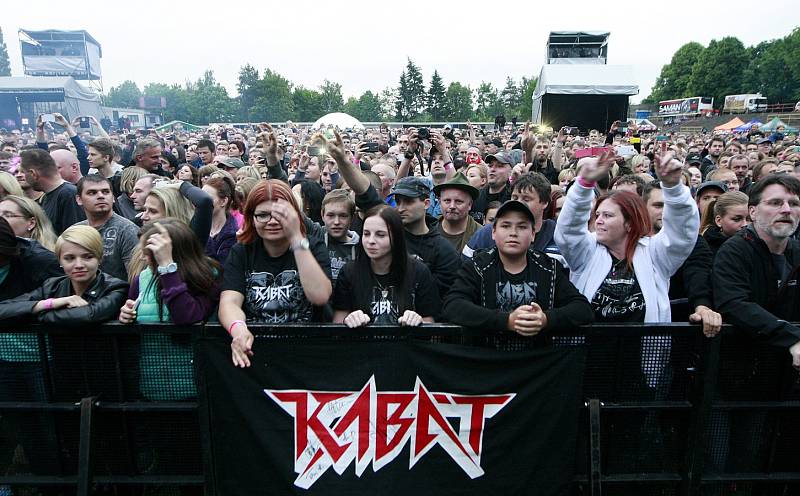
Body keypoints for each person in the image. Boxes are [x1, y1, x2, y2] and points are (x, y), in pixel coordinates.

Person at [555, 151, 699, 323]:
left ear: (629, 223)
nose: (598, 221)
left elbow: (681, 232)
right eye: (598, 214)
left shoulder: (655, 253)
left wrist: (674, 189)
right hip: (591, 348)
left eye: (608, 216)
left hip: (643, 349)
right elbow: (568, 230)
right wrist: (584, 184)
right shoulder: (586, 251)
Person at [220, 180, 332, 367]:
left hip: (306, 354)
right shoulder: (242, 252)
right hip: (256, 353)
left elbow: (320, 296)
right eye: (262, 215)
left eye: (280, 215)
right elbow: (229, 302)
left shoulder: (313, 246)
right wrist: (238, 329)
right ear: (252, 218)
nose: (271, 221)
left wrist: (296, 238)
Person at [443, 200, 593, 334]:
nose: (513, 233)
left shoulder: (549, 268)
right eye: (506, 226)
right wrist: (506, 321)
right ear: (493, 232)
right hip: (488, 357)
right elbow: (453, 306)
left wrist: (546, 319)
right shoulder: (477, 266)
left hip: (538, 358)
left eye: (522, 227)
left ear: (533, 234)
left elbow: (582, 308)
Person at [713, 174, 800, 366]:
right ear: (753, 212)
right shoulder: (734, 251)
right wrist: (792, 338)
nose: (786, 210)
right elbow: (733, 304)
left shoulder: (797, 251)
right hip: (742, 367)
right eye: (775, 203)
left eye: (793, 203)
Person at [333, 206, 440, 327]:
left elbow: (430, 321)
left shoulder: (419, 272)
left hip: (406, 344)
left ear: (396, 237)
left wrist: (418, 321)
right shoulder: (349, 272)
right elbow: (338, 321)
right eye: (366, 234)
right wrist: (348, 320)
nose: (371, 241)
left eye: (380, 235)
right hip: (362, 344)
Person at [0, 225, 127, 324]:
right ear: (59, 261)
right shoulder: (52, 286)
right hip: (60, 357)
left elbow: (89, 315)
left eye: (87, 257)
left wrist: (39, 314)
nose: (79, 264)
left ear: (99, 258)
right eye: (69, 258)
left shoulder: (116, 287)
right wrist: (49, 304)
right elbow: (4, 308)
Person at [119, 219, 221, 325]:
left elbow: (186, 317)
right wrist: (126, 316)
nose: (141, 258)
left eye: (147, 253)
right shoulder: (141, 279)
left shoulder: (207, 277)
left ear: (171, 253)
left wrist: (168, 269)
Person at [74, 175, 139, 281]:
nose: (100, 196)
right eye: (92, 193)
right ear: (79, 199)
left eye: (105, 192)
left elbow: (136, 279)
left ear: (113, 197)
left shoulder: (127, 230)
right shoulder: (75, 231)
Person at [19, 148, 85, 234]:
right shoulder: (46, 196)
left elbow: (75, 236)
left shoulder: (68, 194)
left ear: (33, 174)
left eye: (23, 172)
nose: (23, 177)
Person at [433, 172, 482, 253]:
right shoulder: (429, 228)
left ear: (470, 205)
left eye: (458, 201)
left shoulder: (480, 236)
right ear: (440, 202)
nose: (452, 206)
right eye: (447, 201)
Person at [321, 189, 360, 282]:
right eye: (330, 215)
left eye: (343, 216)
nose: (336, 222)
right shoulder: (316, 237)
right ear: (322, 215)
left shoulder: (361, 247)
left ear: (352, 217)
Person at [202, 175, 240, 263]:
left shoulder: (232, 234)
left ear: (223, 201)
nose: (201, 201)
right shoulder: (196, 224)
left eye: (207, 198)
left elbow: (219, 269)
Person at [472, 151, 513, 223]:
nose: (492, 169)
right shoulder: (476, 197)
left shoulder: (513, 198)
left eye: (499, 166)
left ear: (510, 172)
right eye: (490, 166)